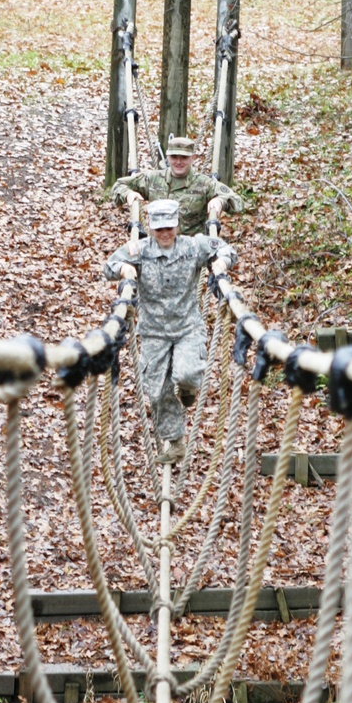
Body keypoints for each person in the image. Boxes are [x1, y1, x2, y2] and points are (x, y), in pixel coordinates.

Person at [104, 199, 236, 465]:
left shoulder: (193, 246)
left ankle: (187, 388)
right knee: (158, 391)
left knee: (185, 373)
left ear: (177, 226)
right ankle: (175, 442)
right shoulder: (139, 250)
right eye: (159, 229)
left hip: (187, 327)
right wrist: (123, 268)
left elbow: (225, 249)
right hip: (154, 333)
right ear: (151, 228)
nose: (164, 234)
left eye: (169, 228)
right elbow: (109, 265)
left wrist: (221, 263)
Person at [109, 134, 243, 236]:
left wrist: (221, 201)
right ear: (167, 157)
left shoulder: (204, 184)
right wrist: (128, 194)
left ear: (193, 158)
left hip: (190, 252)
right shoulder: (153, 179)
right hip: (158, 248)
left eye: (184, 157)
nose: (178, 162)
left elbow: (237, 202)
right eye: (174, 157)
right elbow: (118, 186)